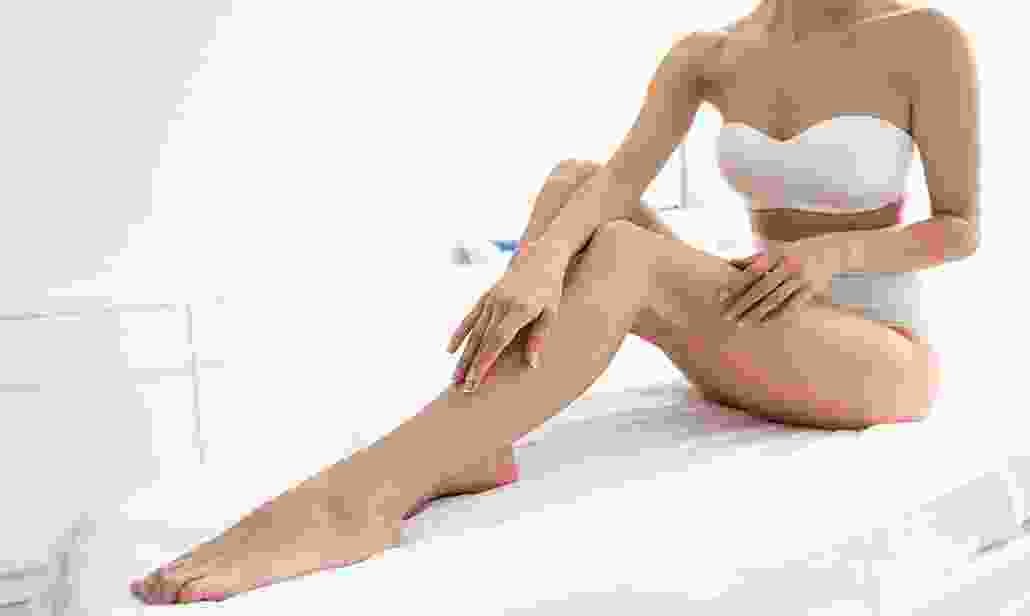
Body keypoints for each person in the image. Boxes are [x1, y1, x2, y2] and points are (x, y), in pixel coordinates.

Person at [131, 0, 979, 604]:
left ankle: (361, 498)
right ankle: (474, 442)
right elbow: (615, 180)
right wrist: (533, 267)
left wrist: (835, 251)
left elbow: (959, 228)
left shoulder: (922, 36)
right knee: (574, 184)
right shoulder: (711, 53)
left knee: (625, 252)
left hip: (875, 356)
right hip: (766, 333)